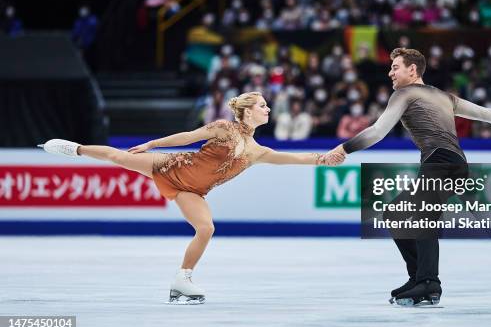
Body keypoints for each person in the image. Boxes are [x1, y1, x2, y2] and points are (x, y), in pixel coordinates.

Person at [39, 92, 344, 304]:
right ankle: (74, 149)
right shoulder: (225, 128)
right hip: (171, 165)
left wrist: (323, 159)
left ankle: (182, 279)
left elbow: (291, 159)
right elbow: (189, 136)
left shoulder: (257, 151)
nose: (268, 109)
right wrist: (152, 144)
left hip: (191, 191)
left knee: (207, 228)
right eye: (263, 106)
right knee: (118, 157)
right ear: (248, 111)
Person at [325, 48, 491, 306]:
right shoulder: (444, 96)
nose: (390, 72)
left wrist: (343, 148)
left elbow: (377, 131)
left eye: (395, 67)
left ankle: (429, 282)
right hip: (454, 163)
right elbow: (483, 112)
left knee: (421, 217)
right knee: (396, 213)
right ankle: (419, 277)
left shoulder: (404, 94)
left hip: (440, 162)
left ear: (412, 69)